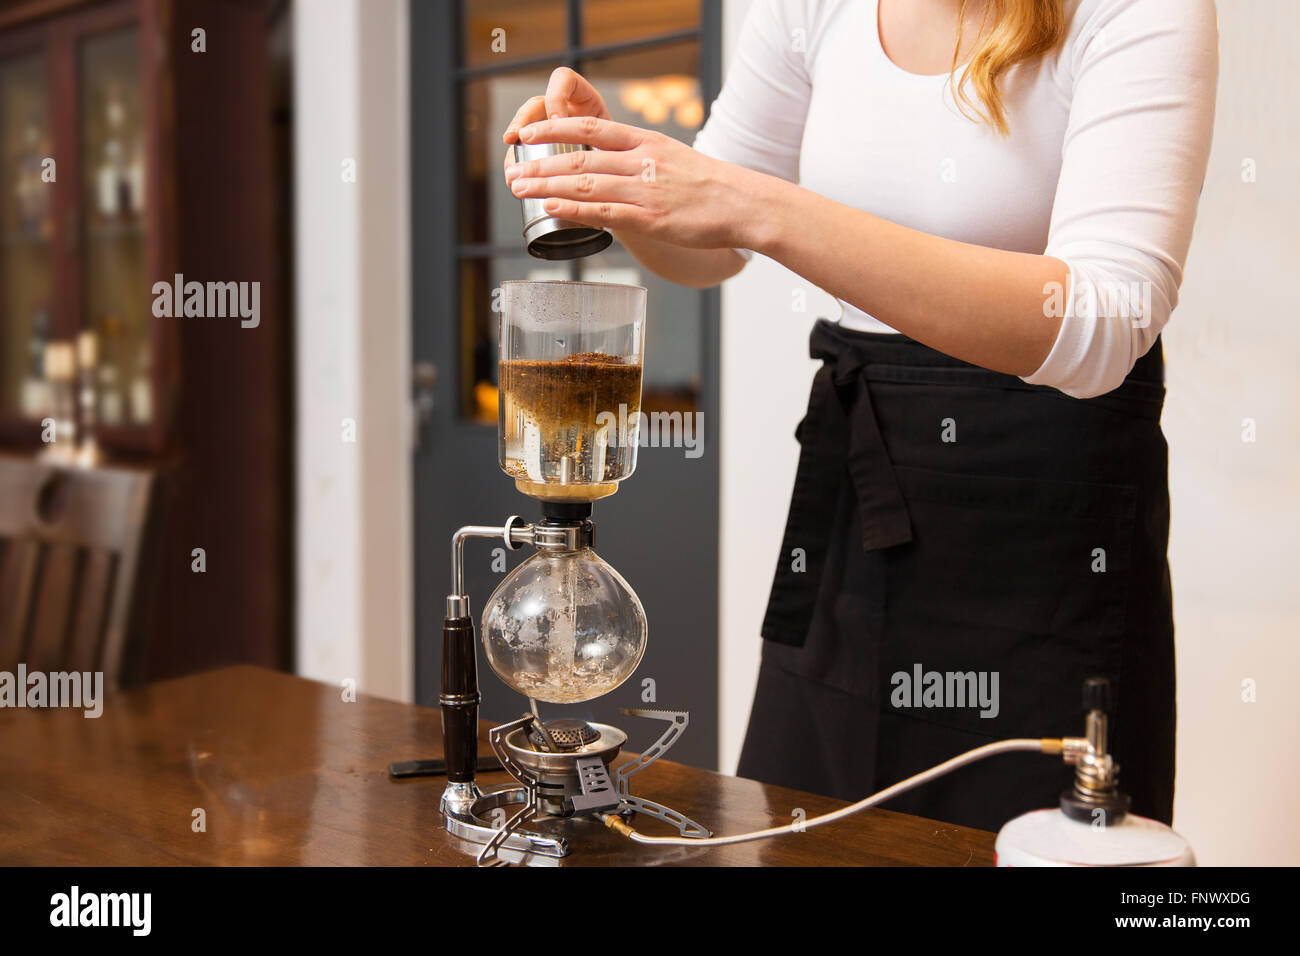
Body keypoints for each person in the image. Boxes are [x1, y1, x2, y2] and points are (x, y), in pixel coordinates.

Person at [501, 0, 1218, 832]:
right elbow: (711, 246)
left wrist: (763, 207)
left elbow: (1102, 323)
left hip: (1047, 517)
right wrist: (621, 184)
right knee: (806, 831)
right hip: (856, 499)